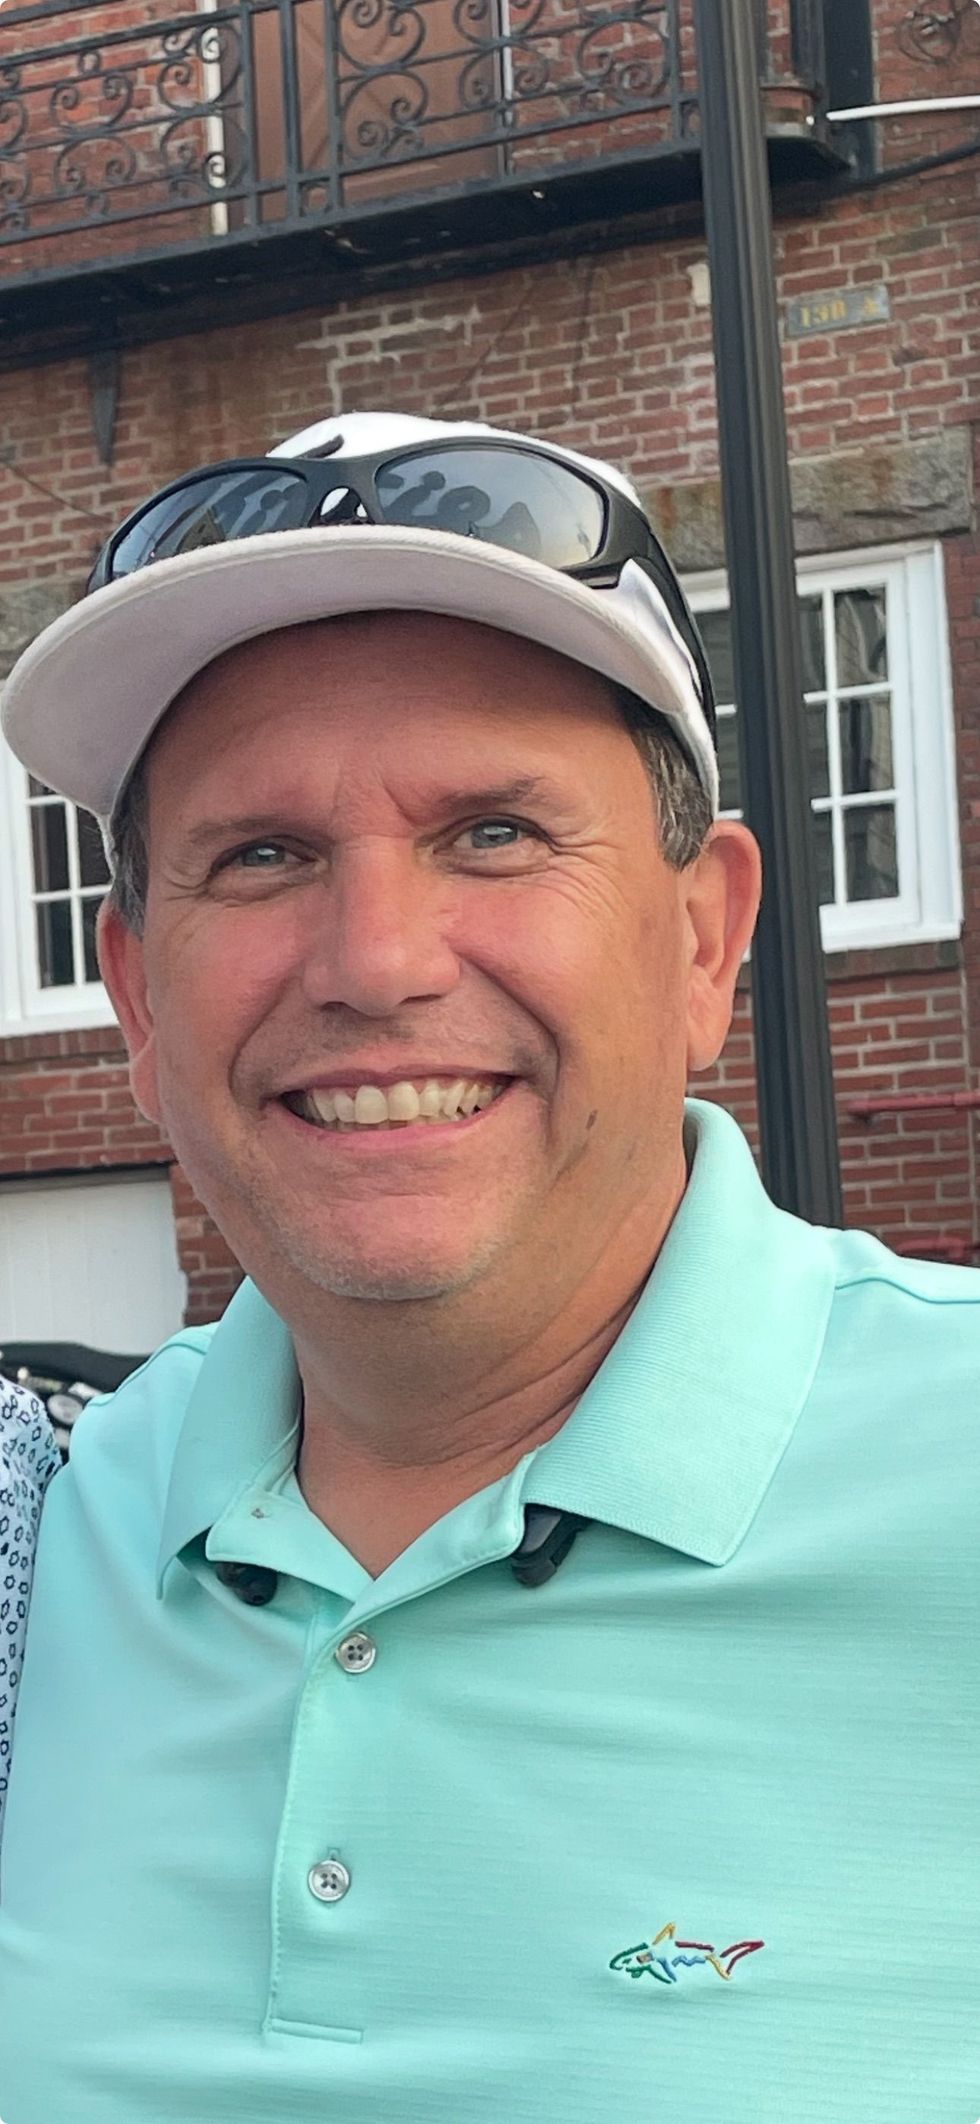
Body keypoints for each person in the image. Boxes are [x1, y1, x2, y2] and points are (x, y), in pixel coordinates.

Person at [0, 409, 977, 2124]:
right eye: (263, 855)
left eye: (496, 833)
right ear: (140, 1004)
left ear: (703, 938)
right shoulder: (51, 1548)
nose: (375, 963)